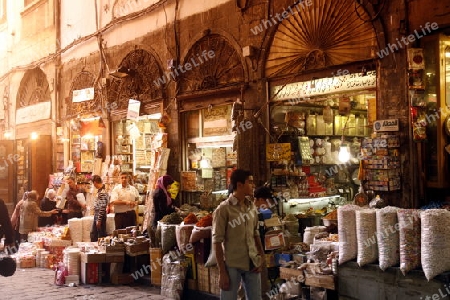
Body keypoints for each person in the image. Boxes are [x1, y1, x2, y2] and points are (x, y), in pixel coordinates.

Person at [212, 169, 265, 300]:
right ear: (239, 185)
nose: (253, 185)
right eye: (250, 182)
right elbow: (217, 241)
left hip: (252, 261)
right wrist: (222, 272)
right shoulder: (223, 209)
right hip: (232, 264)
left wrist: (261, 257)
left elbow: (255, 233)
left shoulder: (251, 207)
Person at [90, 175, 109, 242]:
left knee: (99, 235)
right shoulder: (101, 191)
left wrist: (99, 219)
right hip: (98, 215)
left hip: (99, 215)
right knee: (95, 234)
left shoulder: (102, 192)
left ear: (95, 182)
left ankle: (101, 249)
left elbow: (103, 206)